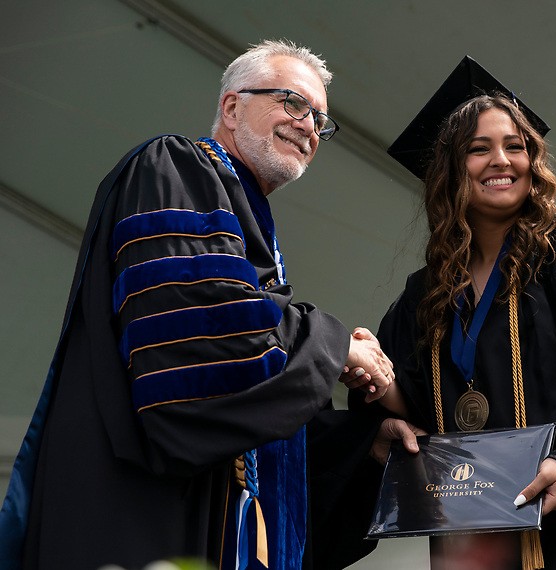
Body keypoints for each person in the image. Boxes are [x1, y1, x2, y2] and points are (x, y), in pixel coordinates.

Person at [0, 39, 397, 570]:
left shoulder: (256, 236)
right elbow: (207, 337)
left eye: (320, 120)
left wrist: (364, 447)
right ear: (232, 107)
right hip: (145, 517)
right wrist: (335, 346)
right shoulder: (174, 167)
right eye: (292, 102)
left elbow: (263, 423)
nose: (308, 126)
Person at [348, 57, 556, 570]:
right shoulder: (424, 293)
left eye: (515, 146)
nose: (502, 160)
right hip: (470, 530)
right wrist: (375, 380)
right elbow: (415, 413)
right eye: (479, 149)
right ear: (451, 172)